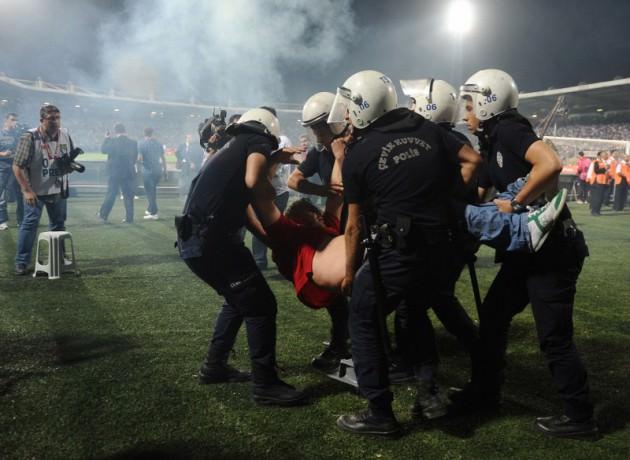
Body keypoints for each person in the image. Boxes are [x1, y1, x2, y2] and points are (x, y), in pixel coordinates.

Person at [314, 70, 482, 436]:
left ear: (362, 107)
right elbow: (472, 161)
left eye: (350, 106)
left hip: (399, 249)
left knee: (363, 317)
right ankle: (429, 392)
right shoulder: (427, 128)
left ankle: (379, 413)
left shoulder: (359, 153)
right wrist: (444, 202)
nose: (346, 114)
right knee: (414, 309)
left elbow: (353, 226)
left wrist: (348, 273)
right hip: (441, 247)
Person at [455, 69, 597, 438]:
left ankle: (579, 416)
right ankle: (485, 392)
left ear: (487, 103)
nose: (465, 113)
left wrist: (516, 203)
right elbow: (484, 191)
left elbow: (550, 164)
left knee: (553, 336)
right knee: (493, 315)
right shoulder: (491, 141)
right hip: (529, 252)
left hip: (552, 252)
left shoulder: (509, 129)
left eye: (469, 104)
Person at [176, 107, 307, 406]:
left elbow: (244, 210)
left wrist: (272, 242)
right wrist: (271, 200)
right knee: (261, 305)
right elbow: (253, 182)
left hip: (196, 242)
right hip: (213, 243)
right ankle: (266, 385)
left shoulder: (233, 146)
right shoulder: (256, 140)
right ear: (268, 131)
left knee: (238, 301)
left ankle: (214, 366)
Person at [12, 105, 74, 275]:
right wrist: (26, 190)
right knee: (30, 224)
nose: (55, 121)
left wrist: (68, 167)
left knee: (59, 225)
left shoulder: (65, 134)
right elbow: (17, 166)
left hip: (57, 189)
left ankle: (59, 257)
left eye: (57, 118)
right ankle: (21, 262)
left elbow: (67, 161)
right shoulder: (30, 137)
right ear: (42, 120)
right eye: (51, 118)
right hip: (35, 191)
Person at [288, 92, 347, 200]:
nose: (319, 140)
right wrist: (320, 190)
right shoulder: (319, 153)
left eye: (322, 134)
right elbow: (292, 180)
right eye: (315, 134)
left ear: (335, 126)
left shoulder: (355, 148)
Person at [98, 123, 137, 223]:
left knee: (111, 194)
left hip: (114, 173)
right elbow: (134, 158)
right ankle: (129, 218)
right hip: (128, 172)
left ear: (116, 131)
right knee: (128, 196)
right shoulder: (133, 143)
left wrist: (106, 138)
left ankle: (103, 215)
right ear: (125, 130)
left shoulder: (112, 141)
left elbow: (103, 150)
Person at [0, 113, 24, 230]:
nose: (15, 122)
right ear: (6, 120)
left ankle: (21, 220)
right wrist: (2, 154)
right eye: (12, 120)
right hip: (2, 168)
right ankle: (2, 221)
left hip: (16, 166)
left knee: (20, 194)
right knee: (2, 195)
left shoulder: (17, 134)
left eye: (16, 120)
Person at [137, 127, 167, 220]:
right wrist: (165, 170)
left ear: (144, 133)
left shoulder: (141, 143)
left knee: (150, 192)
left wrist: (137, 163)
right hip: (157, 170)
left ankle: (154, 213)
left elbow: (140, 158)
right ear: (152, 133)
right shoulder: (158, 143)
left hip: (148, 170)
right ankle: (150, 209)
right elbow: (163, 158)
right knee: (152, 190)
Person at [176, 134, 203, 199]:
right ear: (186, 138)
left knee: (190, 180)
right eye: (188, 138)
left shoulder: (196, 147)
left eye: (190, 138)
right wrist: (181, 160)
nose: (189, 139)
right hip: (184, 166)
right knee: (184, 179)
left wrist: (195, 164)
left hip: (192, 167)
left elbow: (199, 156)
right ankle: (183, 193)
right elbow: (178, 154)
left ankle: (189, 193)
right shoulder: (182, 146)